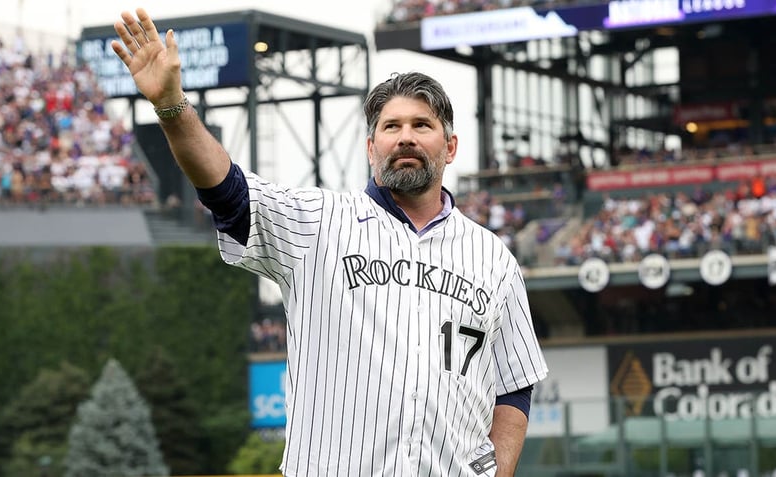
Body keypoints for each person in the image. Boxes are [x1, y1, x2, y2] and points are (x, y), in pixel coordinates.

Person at [111, 8, 548, 476]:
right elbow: (227, 191)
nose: (405, 137)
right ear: (370, 146)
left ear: (451, 146)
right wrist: (172, 107)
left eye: (422, 125)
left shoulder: (492, 258)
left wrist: (498, 471)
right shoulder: (319, 223)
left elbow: (514, 384)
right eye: (391, 127)